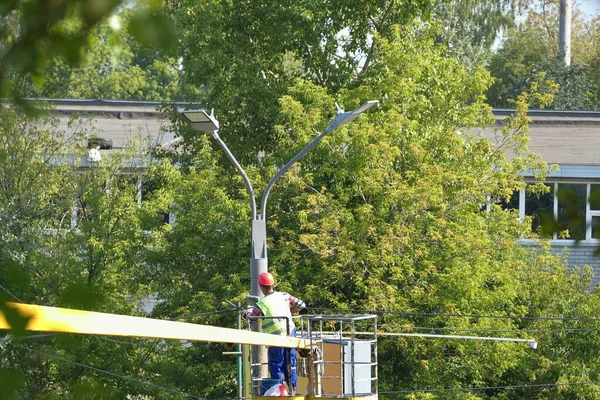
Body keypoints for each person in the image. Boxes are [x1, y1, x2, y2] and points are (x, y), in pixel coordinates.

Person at [247, 272, 306, 395]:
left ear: (261, 287)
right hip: (290, 334)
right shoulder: (284, 295)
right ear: (273, 284)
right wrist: (292, 310)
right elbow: (301, 304)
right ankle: (293, 391)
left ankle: (280, 392)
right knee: (290, 363)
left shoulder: (261, 304)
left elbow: (251, 317)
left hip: (275, 339)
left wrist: (246, 313)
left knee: (276, 366)